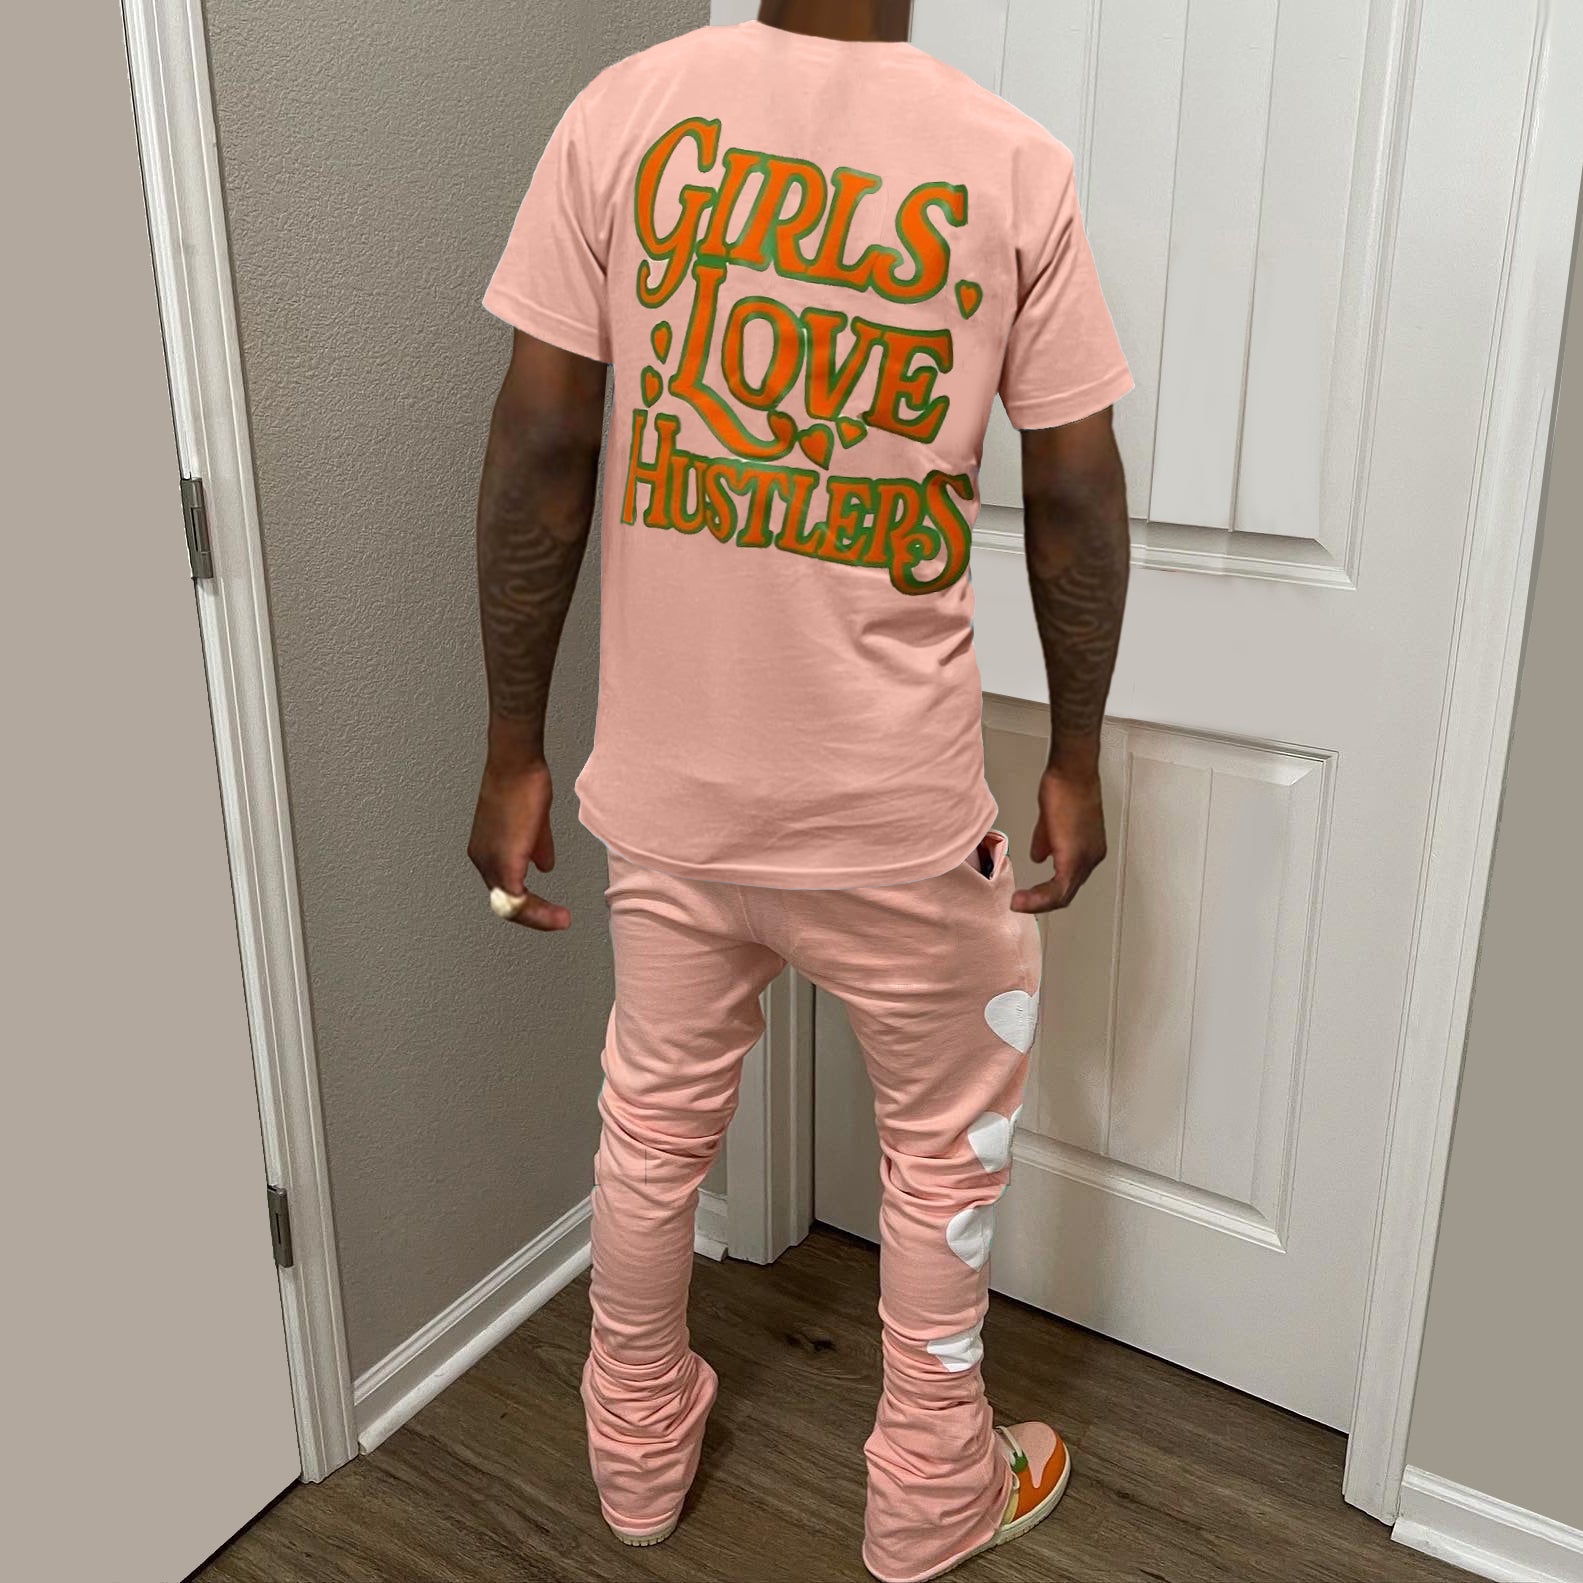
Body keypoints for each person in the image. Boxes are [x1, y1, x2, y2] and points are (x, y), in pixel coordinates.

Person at [469, 1, 1132, 1577]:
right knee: (945, 1147)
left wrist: (511, 746)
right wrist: (1076, 755)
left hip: (675, 804)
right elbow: (1074, 492)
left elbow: (543, 446)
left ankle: (635, 1462)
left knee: (652, 1133)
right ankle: (930, 1489)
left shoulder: (625, 113)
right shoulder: (1011, 165)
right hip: (896, 815)